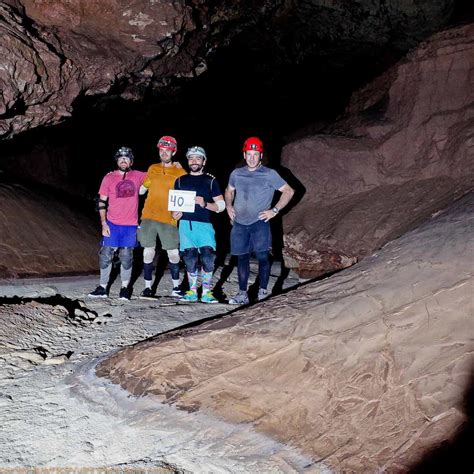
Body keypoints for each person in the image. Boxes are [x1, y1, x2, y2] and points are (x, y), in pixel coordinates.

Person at [224, 137, 295, 304]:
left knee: (263, 256)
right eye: (249, 154)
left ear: (261, 155)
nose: (252, 158)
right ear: (244, 154)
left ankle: (263, 292)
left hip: (259, 222)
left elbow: (289, 191)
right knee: (241, 258)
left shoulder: (269, 174)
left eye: (256, 154)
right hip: (240, 223)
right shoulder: (236, 173)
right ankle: (242, 293)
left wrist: (274, 210)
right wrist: (228, 206)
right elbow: (229, 191)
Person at [88, 147, 146, 300]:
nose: (123, 160)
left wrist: (176, 166)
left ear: (131, 161)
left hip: (130, 225)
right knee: (106, 255)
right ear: (117, 161)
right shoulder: (108, 178)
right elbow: (101, 201)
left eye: (127, 158)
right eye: (120, 158)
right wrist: (103, 223)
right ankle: (102, 287)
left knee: (126, 256)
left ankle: (125, 288)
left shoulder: (139, 175)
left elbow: (158, 176)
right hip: (112, 223)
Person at [172, 146, 225, 303]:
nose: (194, 161)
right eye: (191, 158)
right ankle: (193, 291)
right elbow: (175, 205)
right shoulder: (180, 180)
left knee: (208, 257)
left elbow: (220, 206)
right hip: (185, 225)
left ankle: (207, 291)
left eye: (198, 158)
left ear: (204, 161)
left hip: (205, 225)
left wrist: (205, 204)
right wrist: (174, 214)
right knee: (189, 258)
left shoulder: (211, 181)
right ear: (188, 161)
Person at [138, 136, 186, 298]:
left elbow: (185, 195)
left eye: (167, 150)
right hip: (149, 215)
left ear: (174, 151)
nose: (164, 153)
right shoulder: (152, 168)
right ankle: (147, 288)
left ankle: (176, 287)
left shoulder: (180, 172)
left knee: (173, 253)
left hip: (169, 218)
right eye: (161, 150)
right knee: (147, 252)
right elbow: (142, 188)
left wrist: (182, 211)